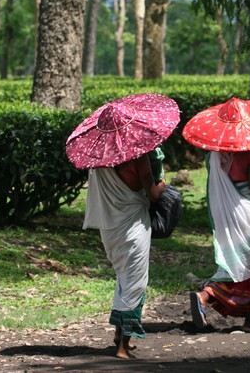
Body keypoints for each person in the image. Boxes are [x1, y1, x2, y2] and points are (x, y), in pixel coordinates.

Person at [83, 153, 166, 359]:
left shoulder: (98, 158)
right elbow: (154, 194)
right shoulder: (139, 157)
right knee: (135, 283)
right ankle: (122, 345)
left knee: (124, 278)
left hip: (109, 227)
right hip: (132, 225)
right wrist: (163, 181)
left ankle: (119, 335)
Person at [190, 148, 250, 333]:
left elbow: (236, 184)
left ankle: (206, 296)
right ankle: (247, 319)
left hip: (230, 212)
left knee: (235, 261)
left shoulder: (219, 152)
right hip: (247, 215)